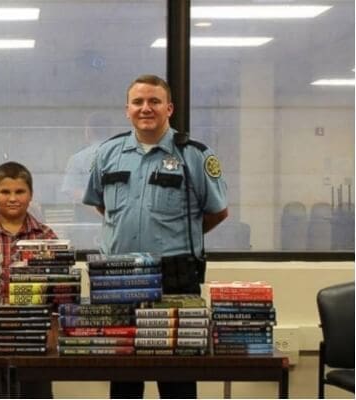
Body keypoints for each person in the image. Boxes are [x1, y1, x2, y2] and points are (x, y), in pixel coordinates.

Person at [82, 74, 228, 399]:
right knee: (123, 380)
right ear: (127, 109)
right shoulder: (108, 153)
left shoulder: (195, 156)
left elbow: (218, 212)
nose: (145, 108)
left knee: (176, 378)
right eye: (138, 102)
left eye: (154, 101)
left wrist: (180, 234)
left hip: (173, 278)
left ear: (169, 108)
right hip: (116, 276)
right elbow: (101, 205)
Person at [0, 161, 57, 399]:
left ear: (31, 195)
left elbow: (57, 289)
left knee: (37, 392)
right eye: (5, 192)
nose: (12, 198)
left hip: (35, 331)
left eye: (20, 191)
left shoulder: (46, 237)